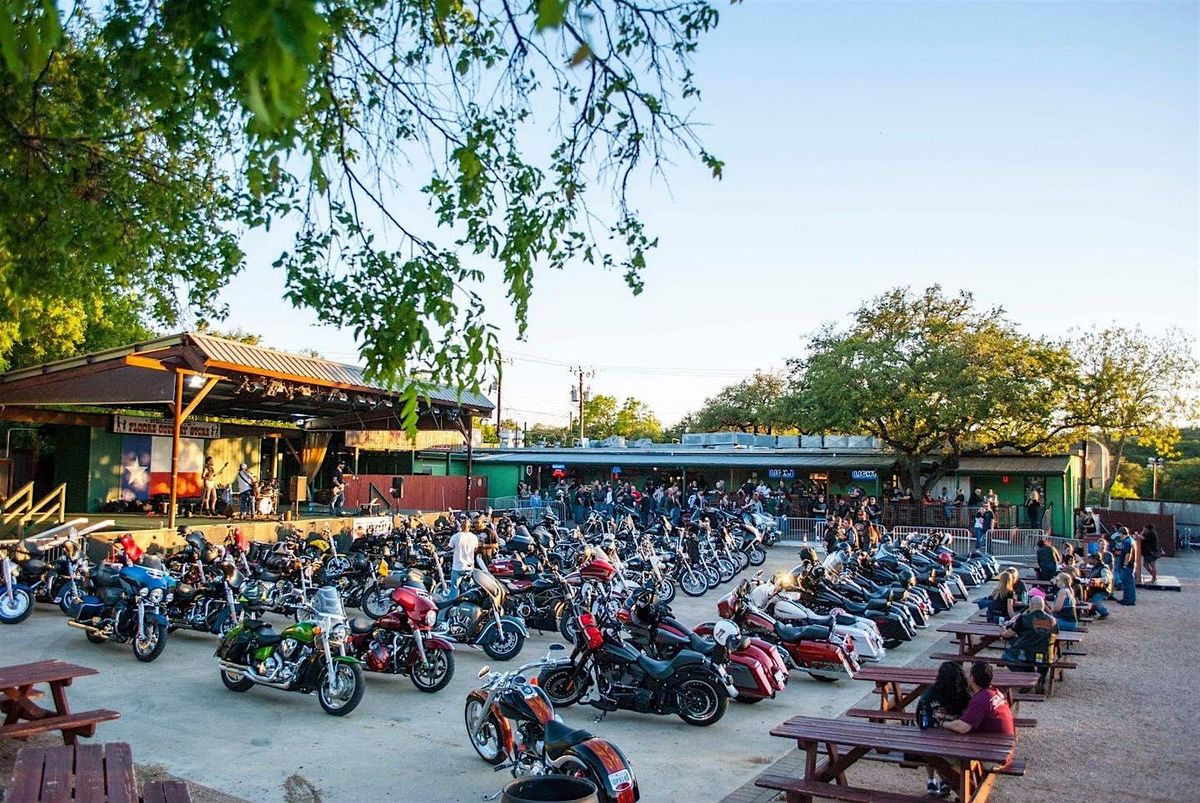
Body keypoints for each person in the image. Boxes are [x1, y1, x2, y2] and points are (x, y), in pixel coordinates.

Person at [915, 662, 973, 798]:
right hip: (955, 736)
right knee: (939, 753)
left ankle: (933, 780)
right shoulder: (964, 694)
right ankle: (948, 781)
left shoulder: (930, 693)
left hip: (934, 734)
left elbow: (920, 717)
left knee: (932, 751)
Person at [1000, 595, 1059, 693]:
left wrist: (1002, 630)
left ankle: (1029, 678)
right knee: (1042, 658)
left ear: (1031, 605)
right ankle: (1040, 679)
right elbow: (1055, 635)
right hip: (1046, 656)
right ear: (1043, 606)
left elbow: (1008, 634)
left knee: (1006, 656)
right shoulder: (1053, 620)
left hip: (1025, 654)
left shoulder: (1023, 618)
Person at [941, 662, 1015, 737]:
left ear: (972, 678)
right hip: (1008, 737)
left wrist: (943, 723)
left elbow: (962, 728)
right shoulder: (996, 692)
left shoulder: (981, 699)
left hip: (998, 742)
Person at [448, 519, 478, 591]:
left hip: (458, 567)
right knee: (469, 588)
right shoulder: (474, 537)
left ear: (461, 526)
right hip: (469, 567)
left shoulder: (455, 536)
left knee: (454, 588)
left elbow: (449, 547)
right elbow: (476, 549)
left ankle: (453, 601)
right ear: (469, 527)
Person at [1084, 552, 1113, 619]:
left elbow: (1106, 579)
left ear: (1095, 560)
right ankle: (1091, 611)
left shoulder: (1103, 568)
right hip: (1095, 589)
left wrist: (1098, 580)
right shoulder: (1094, 567)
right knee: (1086, 598)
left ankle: (1104, 612)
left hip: (1103, 589)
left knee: (1095, 601)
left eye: (1091, 559)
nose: (1089, 560)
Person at [1116, 526, 1137, 605]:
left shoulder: (1127, 542)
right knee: (1129, 583)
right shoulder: (1131, 540)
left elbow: (1128, 554)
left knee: (1128, 583)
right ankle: (1127, 598)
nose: (1119, 536)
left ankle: (1129, 600)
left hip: (1127, 566)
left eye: (1119, 534)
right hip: (1131, 565)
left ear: (1122, 534)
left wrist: (1125, 564)